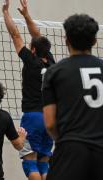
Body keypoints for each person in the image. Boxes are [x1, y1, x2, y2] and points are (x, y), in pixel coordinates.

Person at [43, 14, 103, 180]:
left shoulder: (55, 72)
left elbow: (50, 123)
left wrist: (64, 141)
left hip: (70, 151)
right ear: (94, 41)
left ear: (66, 40)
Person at [2, 0, 55, 179]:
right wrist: (26, 15)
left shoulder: (31, 61)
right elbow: (37, 35)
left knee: (30, 161)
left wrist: (5, 12)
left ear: (32, 50)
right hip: (51, 118)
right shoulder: (51, 63)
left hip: (33, 116)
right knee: (44, 163)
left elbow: (15, 35)